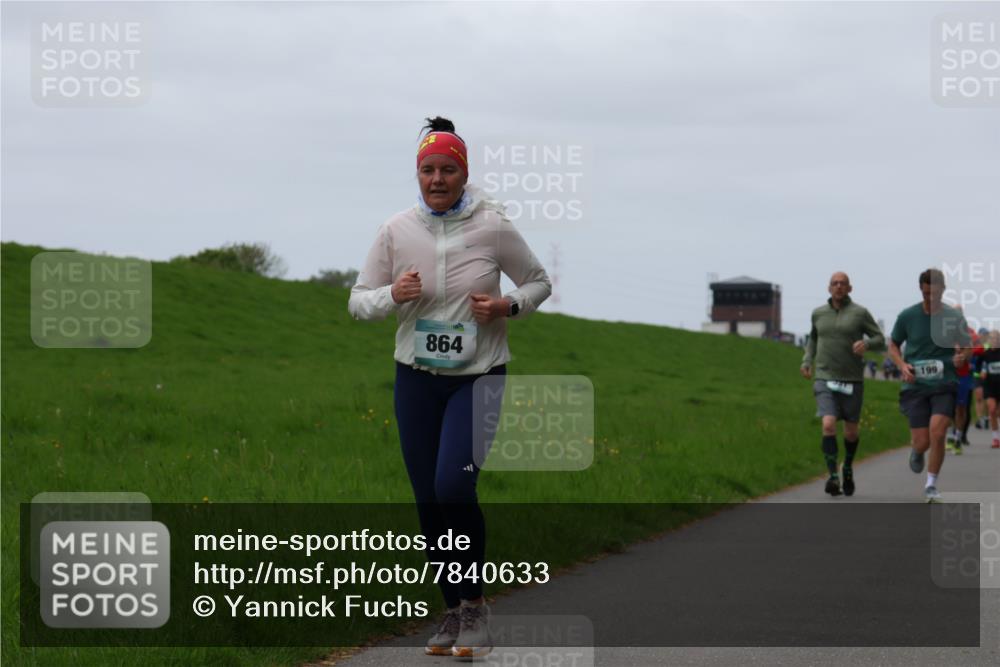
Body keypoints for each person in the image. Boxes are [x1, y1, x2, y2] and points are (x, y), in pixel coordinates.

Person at [349, 116, 551, 659]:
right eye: (427, 170)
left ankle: (476, 607)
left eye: (448, 169)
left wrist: (509, 305)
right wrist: (393, 293)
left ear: (465, 173)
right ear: (417, 175)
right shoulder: (396, 230)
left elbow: (538, 280)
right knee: (427, 502)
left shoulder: (494, 226)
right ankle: (453, 610)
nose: (437, 179)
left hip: (479, 377)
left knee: (453, 488)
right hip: (415, 379)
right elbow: (358, 300)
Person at [887, 269, 972, 502]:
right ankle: (916, 451)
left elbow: (968, 346)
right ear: (920, 290)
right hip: (915, 385)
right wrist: (902, 364)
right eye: (926, 294)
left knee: (938, 431)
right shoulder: (908, 316)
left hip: (945, 383)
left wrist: (962, 357)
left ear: (943, 290)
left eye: (934, 294)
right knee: (922, 441)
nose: (930, 299)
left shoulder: (954, 317)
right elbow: (893, 344)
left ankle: (931, 485)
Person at [801, 272, 885, 497]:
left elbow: (880, 339)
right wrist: (807, 360)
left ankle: (847, 467)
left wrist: (866, 344)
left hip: (852, 381)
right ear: (829, 288)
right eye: (834, 283)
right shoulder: (818, 313)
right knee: (828, 424)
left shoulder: (860, 313)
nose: (838, 287)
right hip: (825, 378)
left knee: (851, 432)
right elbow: (813, 339)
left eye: (843, 284)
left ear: (850, 288)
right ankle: (833, 476)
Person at [976, 330, 1000, 448]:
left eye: (996, 338)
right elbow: (978, 369)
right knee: (992, 410)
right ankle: (995, 438)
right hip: (990, 386)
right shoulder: (985, 355)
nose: (994, 340)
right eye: (992, 338)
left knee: (998, 412)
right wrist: (981, 373)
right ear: (989, 341)